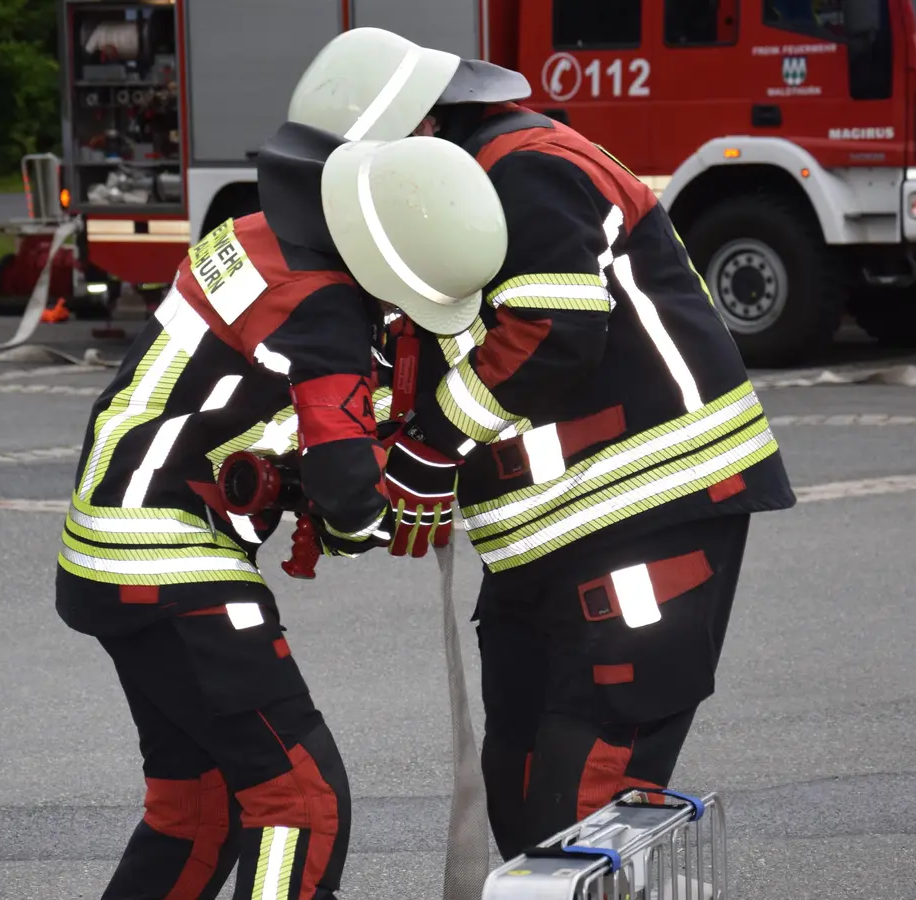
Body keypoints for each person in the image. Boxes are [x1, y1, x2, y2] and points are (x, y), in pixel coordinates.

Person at [286, 27, 797, 859]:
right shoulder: (452, 194)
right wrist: (354, 469)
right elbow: (422, 352)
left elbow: (553, 330)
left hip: (647, 513)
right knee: (521, 787)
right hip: (547, 543)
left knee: (583, 802)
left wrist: (433, 443)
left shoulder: (526, 170)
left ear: (416, 133)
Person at [55, 129, 506, 900]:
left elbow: (238, 392)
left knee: (194, 810)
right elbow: (342, 473)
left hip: (108, 542)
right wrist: (355, 518)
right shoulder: (326, 307)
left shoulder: (260, 237)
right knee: (301, 802)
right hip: (171, 558)